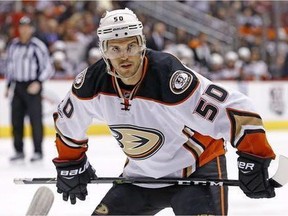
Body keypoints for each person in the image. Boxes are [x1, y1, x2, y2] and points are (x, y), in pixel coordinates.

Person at [52, 8, 277, 215]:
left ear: (141, 44)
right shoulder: (92, 82)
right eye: (115, 48)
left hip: (197, 171)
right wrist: (71, 163)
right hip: (140, 177)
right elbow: (67, 120)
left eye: (130, 46)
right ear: (104, 51)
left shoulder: (169, 77)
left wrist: (254, 158)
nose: (124, 56)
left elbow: (236, 109)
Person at [5, 16, 55, 162]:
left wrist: (38, 82)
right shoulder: (13, 45)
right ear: (19, 29)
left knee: (35, 120)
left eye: (27, 27)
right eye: (21, 27)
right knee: (16, 120)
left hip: (33, 86)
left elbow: (48, 67)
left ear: (32, 29)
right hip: (18, 87)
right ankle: (18, 150)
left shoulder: (37, 46)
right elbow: (10, 67)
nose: (24, 29)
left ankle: (38, 151)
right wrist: (8, 86)